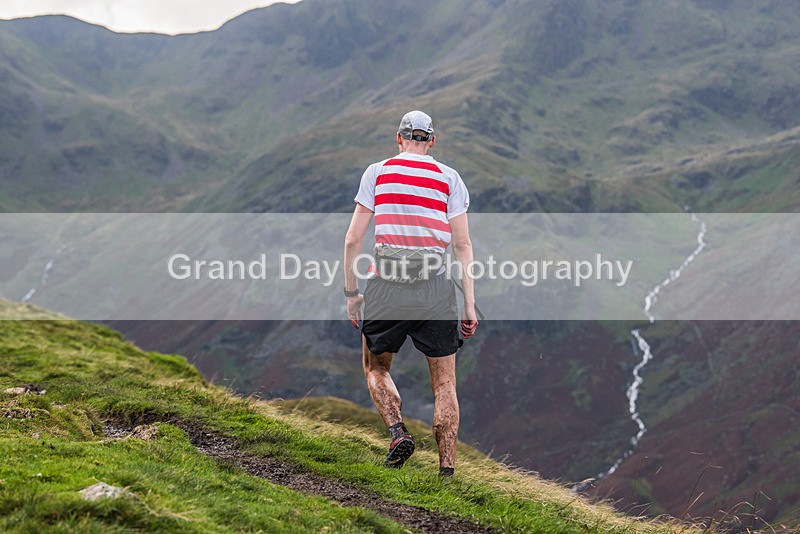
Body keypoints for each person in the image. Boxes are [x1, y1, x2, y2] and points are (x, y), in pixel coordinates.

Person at [343, 110, 478, 477]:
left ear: (398, 138)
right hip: (435, 288)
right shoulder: (449, 178)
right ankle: (447, 472)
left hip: (387, 284)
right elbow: (462, 245)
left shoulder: (377, 172)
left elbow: (353, 238)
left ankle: (398, 431)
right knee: (445, 382)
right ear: (432, 141)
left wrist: (352, 293)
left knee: (375, 367)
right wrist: (468, 304)